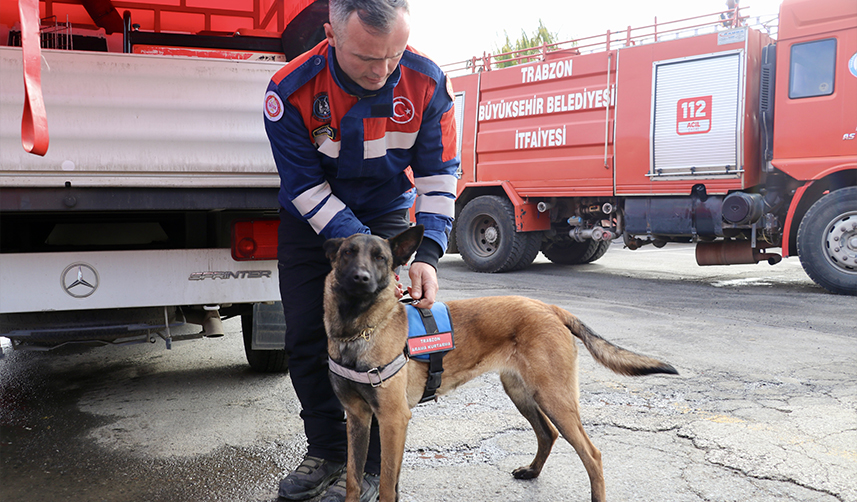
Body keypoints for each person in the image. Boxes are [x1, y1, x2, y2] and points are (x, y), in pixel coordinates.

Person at [263, 0, 459, 500]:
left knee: (386, 344)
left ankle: (371, 470)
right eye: (366, 59)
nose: (382, 72)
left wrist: (429, 254)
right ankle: (327, 453)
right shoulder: (290, 90)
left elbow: (438, 177)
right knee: (308, 338)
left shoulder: (428, 83)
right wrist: (361, 254)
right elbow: (304, 187)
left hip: (388, 214)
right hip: (315, 222)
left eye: (393, 56)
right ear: (330, 35)